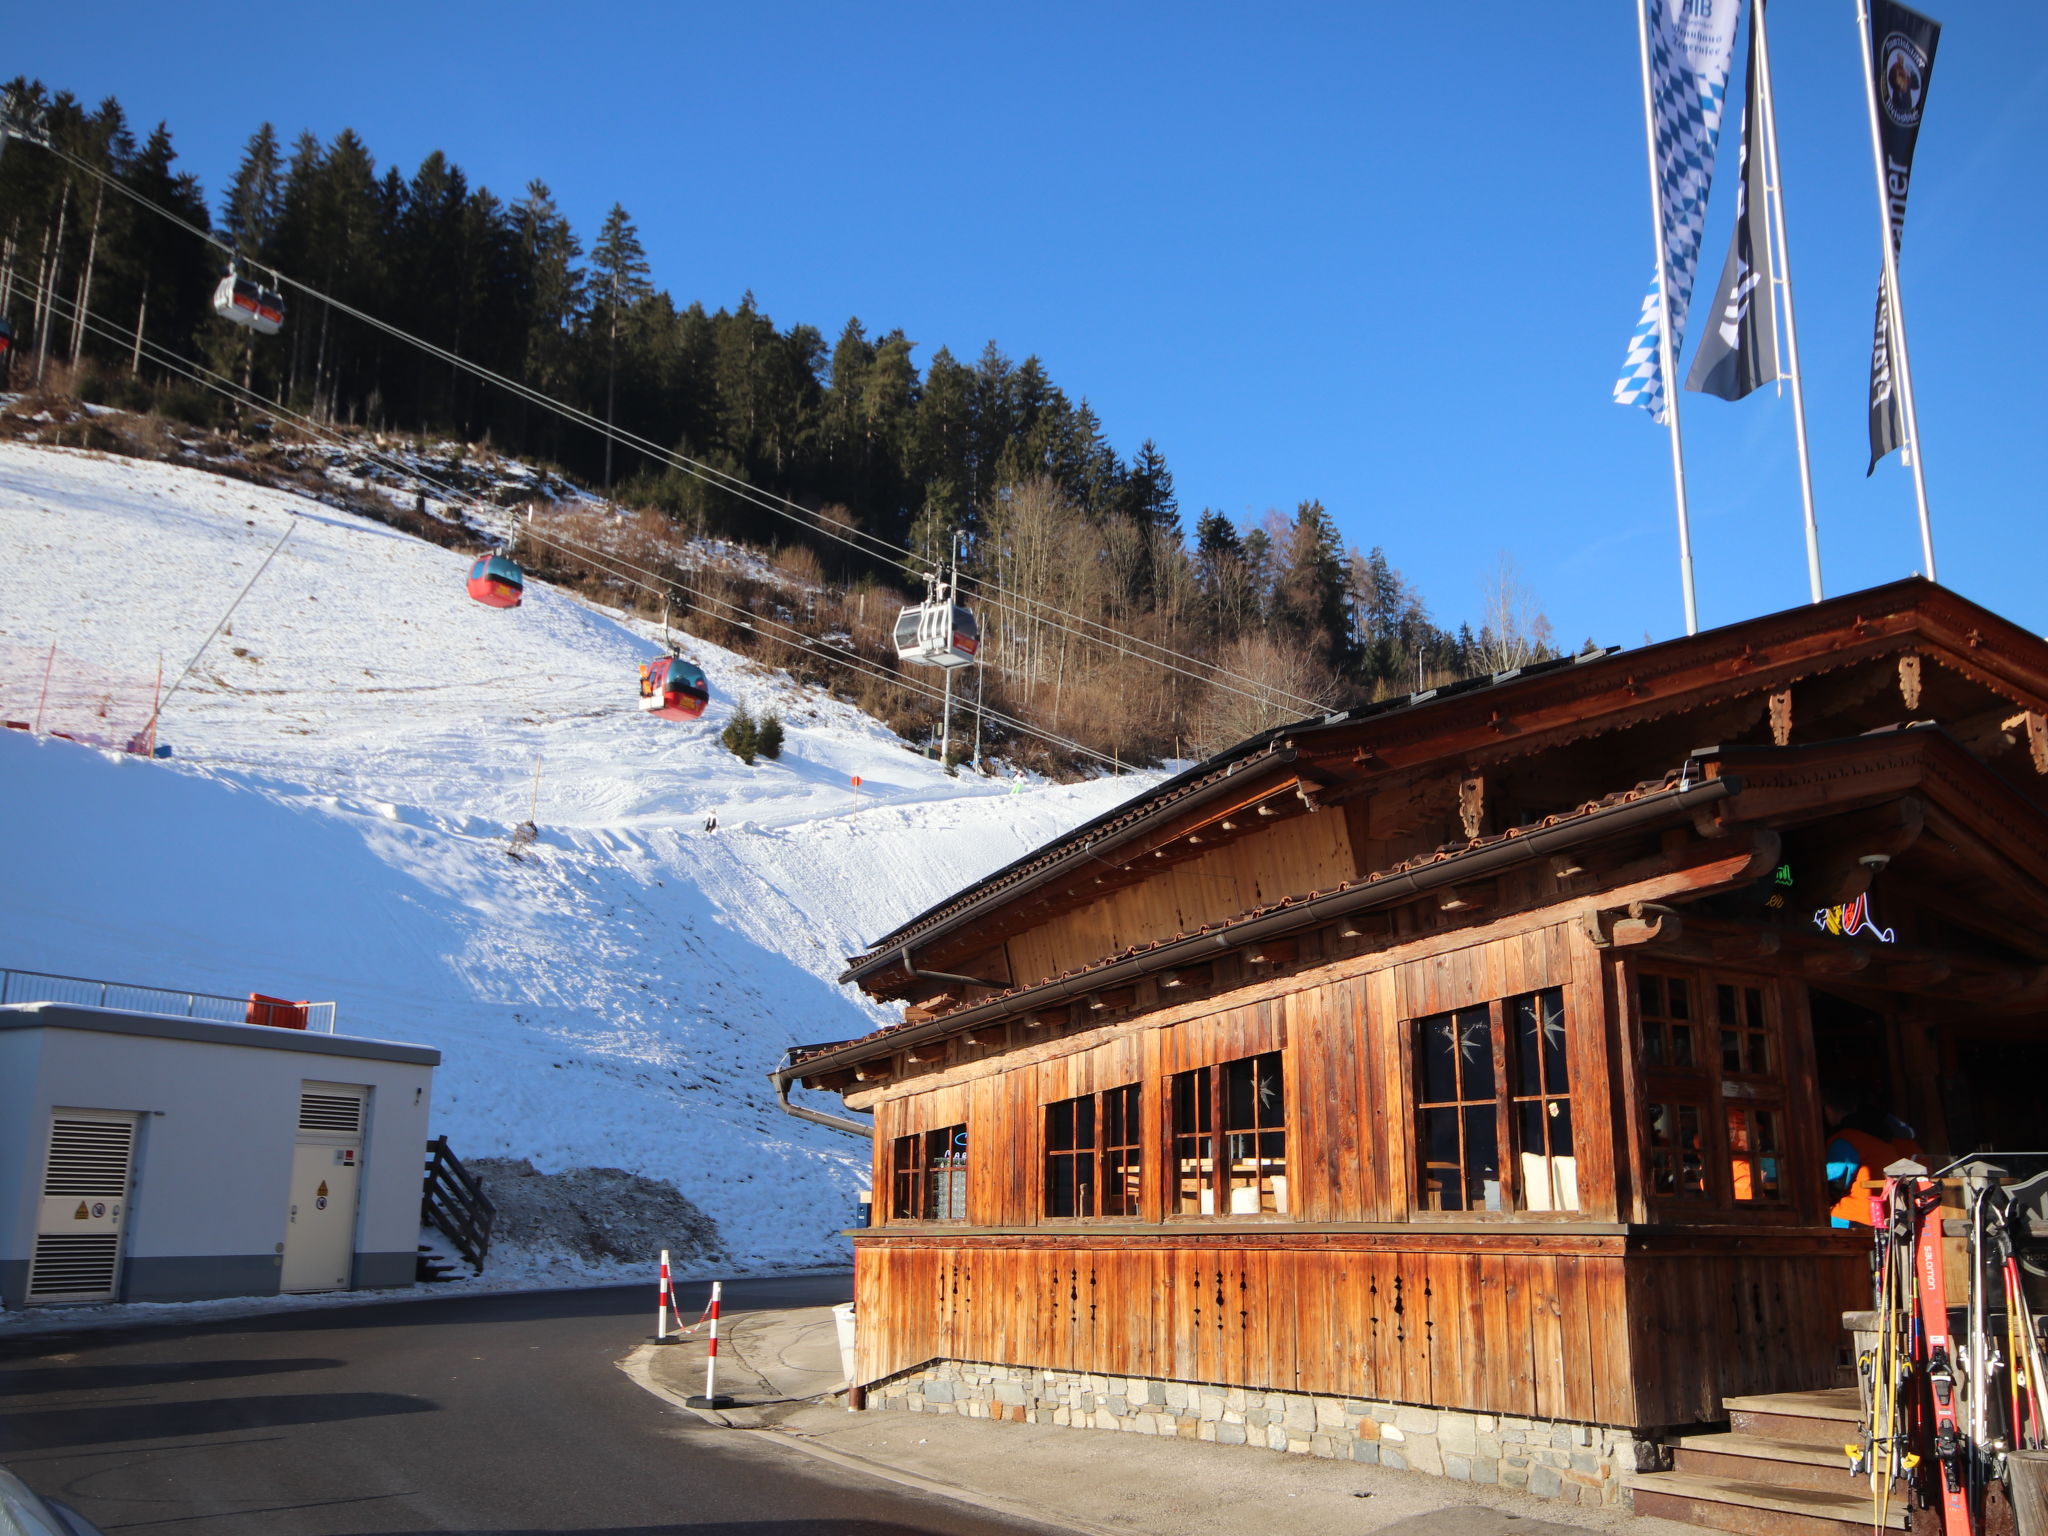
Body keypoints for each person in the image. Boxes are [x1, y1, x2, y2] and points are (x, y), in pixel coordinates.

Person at [1822, 1084, 1923, 1228]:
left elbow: (1833, 1181)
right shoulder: (1884, 1138)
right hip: (1889, 1213)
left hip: (1856, 1217)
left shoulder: (1847, 1138)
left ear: (1828, 1110)